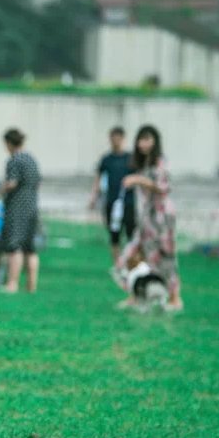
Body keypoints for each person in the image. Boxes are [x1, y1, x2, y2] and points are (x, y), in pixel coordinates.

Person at [115, 125, 183, 311]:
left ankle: (175, 298)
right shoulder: (142, 164)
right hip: (145, 219)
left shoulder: (160, 161)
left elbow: (164, 187)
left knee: (166, 258)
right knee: (131, 256)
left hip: (162, 218)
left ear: (155, 141)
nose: (143, 143)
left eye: (147, 139)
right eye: (141, 139)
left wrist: (137, 180)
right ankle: (136, 294)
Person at [0, 128, 41, 293]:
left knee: (14, 247)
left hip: (17, 208)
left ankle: (12, 284)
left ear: (9, 143)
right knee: (30, 248)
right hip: (32, 206)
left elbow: (12, 183)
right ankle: (31, 286)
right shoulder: (31, 159)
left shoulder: (14, 160)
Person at [89, 126, 136, 262]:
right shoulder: (106, 159)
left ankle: (131, 263)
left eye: (118, 138)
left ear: (123, 139)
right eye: (113, 138)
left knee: (130, 234)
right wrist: (93, 197)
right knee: (114, 235)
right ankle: (117, 264)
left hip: (128, 202)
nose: (115, 141)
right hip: (111, 202)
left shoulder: (130, 159)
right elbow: (98, 178)